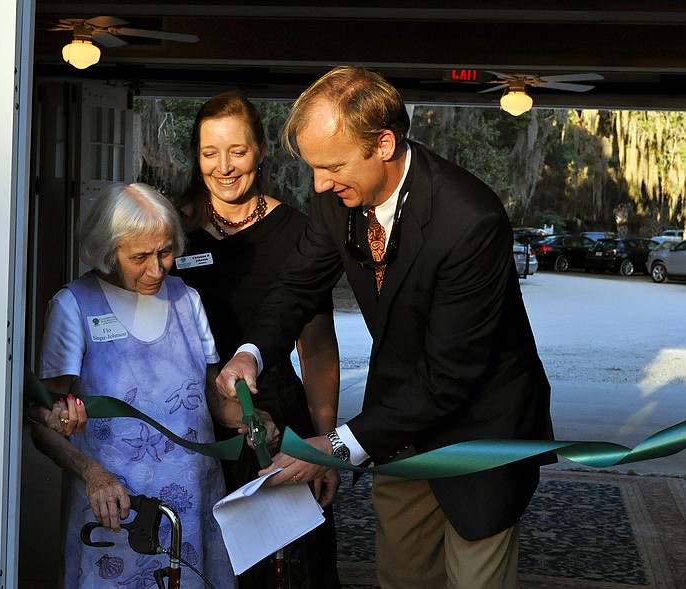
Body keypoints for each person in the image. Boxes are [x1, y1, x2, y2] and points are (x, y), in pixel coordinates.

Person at [216, 67, 554, 589]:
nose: (319, 184)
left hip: (479, 430)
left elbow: (450, 374)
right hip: (395, 428)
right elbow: (296, 288)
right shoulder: (335, 201)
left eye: (330, 166)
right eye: (312, 168)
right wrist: (251, 353)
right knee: (401, 577)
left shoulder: (470, 220)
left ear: (385, 144)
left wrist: (335, 445)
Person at [31, 182, 245, 589]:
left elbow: (213, 400)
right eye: (139, 257)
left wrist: (252, 418)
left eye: (165, 251)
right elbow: (43, 423)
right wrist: (92, 473)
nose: (157, 268)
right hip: (116, 509)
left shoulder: (186, 299)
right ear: (108, 251)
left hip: (193, 504)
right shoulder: (74, 305)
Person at [172, 90, 342, 589]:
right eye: (209, 153)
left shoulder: (299, 233)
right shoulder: (172, 230)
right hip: (190, 420)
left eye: (237, 152)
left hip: (276, 423)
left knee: (286, 569)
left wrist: (324, 443)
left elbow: (317, 348)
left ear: (262, 151)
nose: (224, 167)